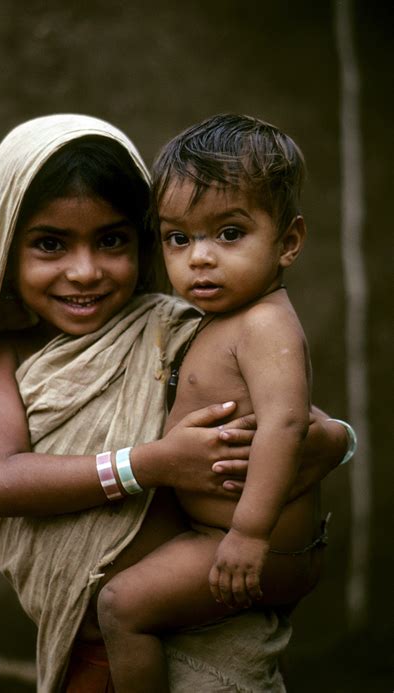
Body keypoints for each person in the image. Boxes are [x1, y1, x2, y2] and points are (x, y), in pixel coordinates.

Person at [0, 114, 353, 693]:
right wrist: (154, 463)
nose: (85, 271)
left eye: (112, 241)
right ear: (3, 245)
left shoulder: (173, 326)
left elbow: (297, 422)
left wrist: (335, 441)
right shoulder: (1, 360)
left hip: (211, 617)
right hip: (97, 647)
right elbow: (2, 483)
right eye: (50, 244)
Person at [96, 114, 357, 693]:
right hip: (226, 533)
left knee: (119, 605)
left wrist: (247, 535)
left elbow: (287, 424)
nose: (200, 258)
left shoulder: (265, 324)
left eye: (229, 233)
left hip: (251, 542)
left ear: (288, 242)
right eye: (178, 238)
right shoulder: (216, 319)